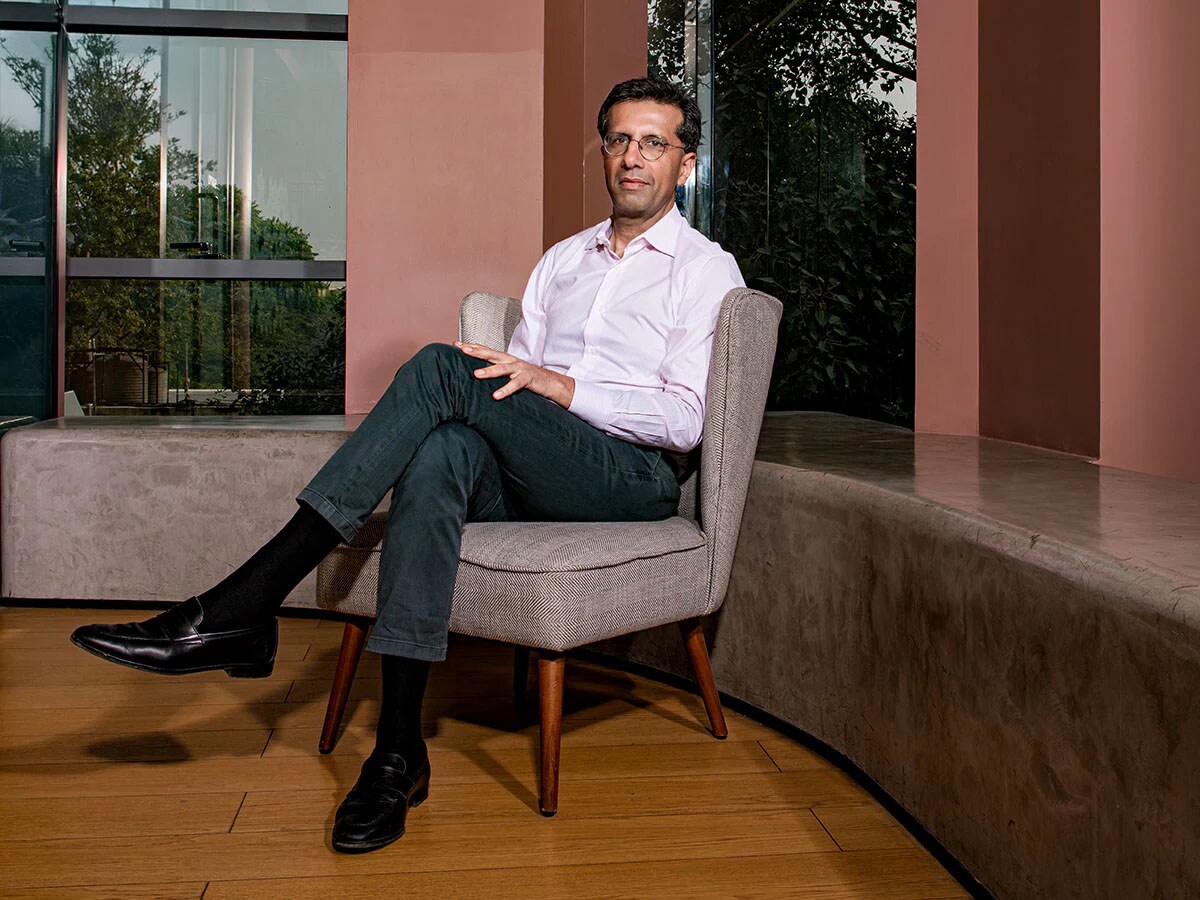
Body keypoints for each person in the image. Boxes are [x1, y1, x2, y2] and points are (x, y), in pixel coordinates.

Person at [70, 76, 745, 854]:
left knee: (441, 367)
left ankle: (243, 604)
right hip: (539, 471)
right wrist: (528, 391)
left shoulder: (704, 269)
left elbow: (685, 420)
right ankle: (397, 751)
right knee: (443, 448)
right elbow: (505, 390)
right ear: (603, 152)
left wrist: (560, 387)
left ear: (684, 164)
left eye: (654, 143)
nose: (632, 157)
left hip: (631, 478)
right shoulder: (563, 262)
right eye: (620, 140)